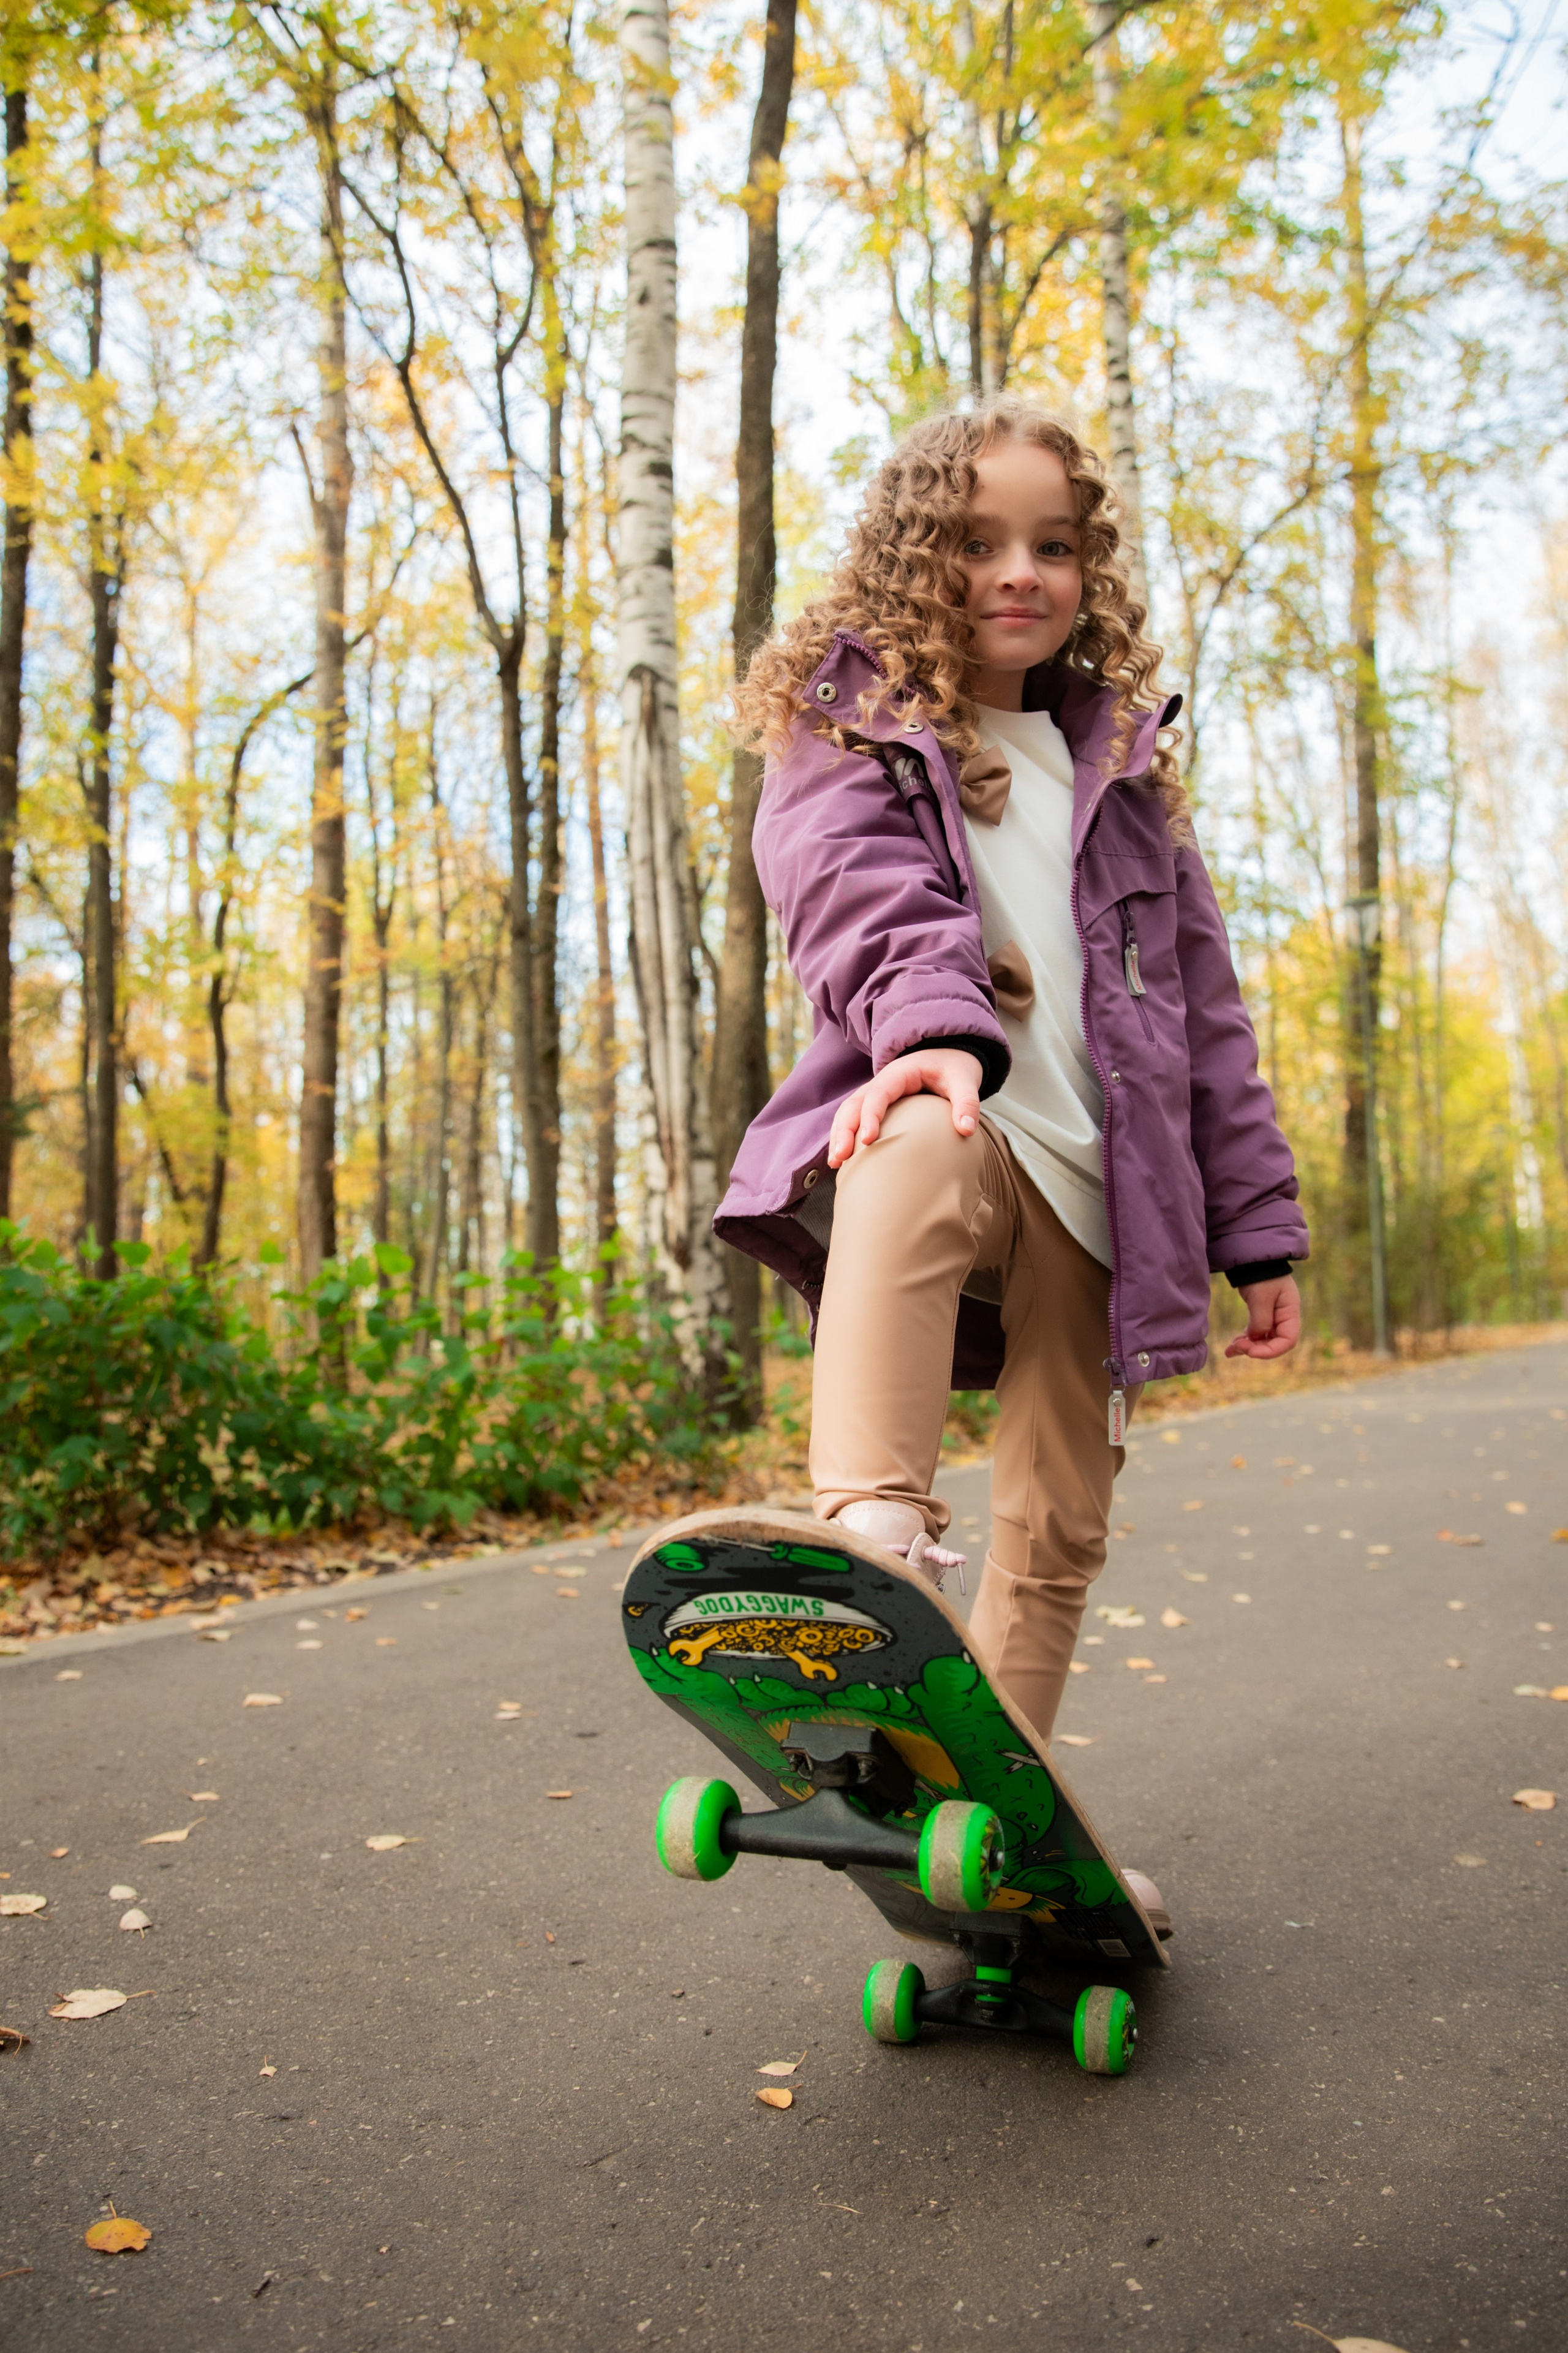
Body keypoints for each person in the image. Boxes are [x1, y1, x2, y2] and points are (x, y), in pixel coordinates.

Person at [715, 396, 1307, 1747]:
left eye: (1051, 546)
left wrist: (1255, 1226)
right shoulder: (854, 721)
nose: (1017, 574)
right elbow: (854, 890)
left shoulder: (1126, 770)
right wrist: (926, 1031)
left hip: (1114, 1201)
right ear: (919, 555)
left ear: (1086, 570)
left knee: (1057, 1527)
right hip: (973, 1133)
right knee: (907, 1137)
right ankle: (870, 1529)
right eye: (976, 544)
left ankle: (1006, 1807)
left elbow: (1206, 1017)